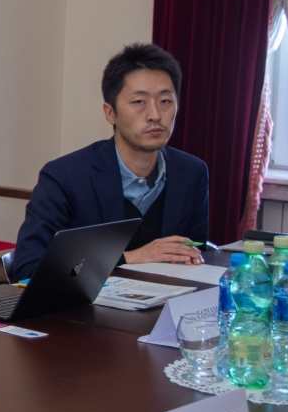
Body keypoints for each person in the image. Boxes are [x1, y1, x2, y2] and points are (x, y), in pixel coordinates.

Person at [12, 43, 210, 280]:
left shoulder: (191, 172)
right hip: (87, 304)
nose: (155, 115)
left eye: (165, 101)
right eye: (139, 102)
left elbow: (195, 252)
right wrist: (131, 257)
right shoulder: (65, 177)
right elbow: (29, 268)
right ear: (110, 113)